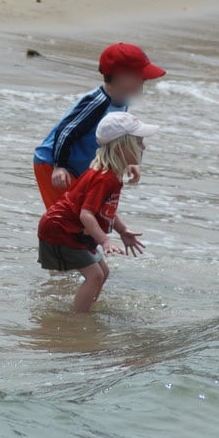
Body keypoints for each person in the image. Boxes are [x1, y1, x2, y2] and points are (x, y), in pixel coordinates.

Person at [37, 112, 158, 312]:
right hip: (59, 229)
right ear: (121, 146)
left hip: (68, 228)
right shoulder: (105, 177)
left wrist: (122, 231)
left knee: (103, 272)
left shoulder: (112, 174)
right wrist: (105, 241)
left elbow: (105, 209)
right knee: (96, 276)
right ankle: (76, 320)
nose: (143, 147)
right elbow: (86, 214)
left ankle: (85, 308)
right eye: (138, 142)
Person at [33, 42, 165, 209]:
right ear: (120, 76)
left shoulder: (122, 101)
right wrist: (60, 167)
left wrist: (130, 162)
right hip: (53, 163)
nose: (145, 80)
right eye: (141, 76)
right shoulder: (97, 102)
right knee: (66, 221)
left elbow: (120, 136)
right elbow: (66, 131)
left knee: (83, 219)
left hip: (76, 168)